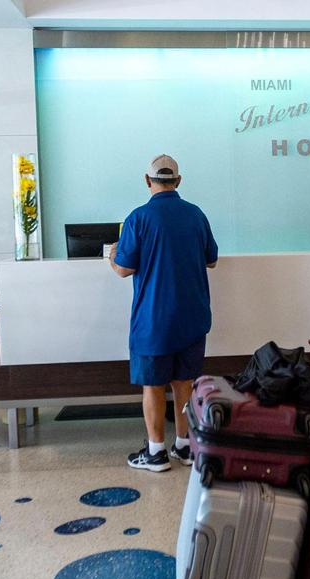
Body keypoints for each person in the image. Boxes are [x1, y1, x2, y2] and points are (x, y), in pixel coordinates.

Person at [110, 154, 218, 472]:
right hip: (193, 316)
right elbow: (212, 260)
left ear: (147, 181)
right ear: (179, 182)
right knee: (184, 382)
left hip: (153, 319)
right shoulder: (197, 215)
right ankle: (184, 447)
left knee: (153, 385)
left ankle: (156, 452)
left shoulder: (138, 218)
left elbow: (124, 269)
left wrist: (112, 258)